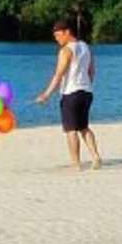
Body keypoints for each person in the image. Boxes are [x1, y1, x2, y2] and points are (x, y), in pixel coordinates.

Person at [35, 18, 103, 170]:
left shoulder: (65, 51)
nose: (57, 39)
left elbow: (58, 75)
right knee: (84, 127)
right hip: (86, 92)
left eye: (59, 35)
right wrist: (87, 85)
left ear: (67, 32)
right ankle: (96, 156)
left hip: (71, 93)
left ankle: (76, 163)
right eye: (55, 36)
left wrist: (46, 94)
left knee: (71, 130)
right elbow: (91, 71)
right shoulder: (86, 47)